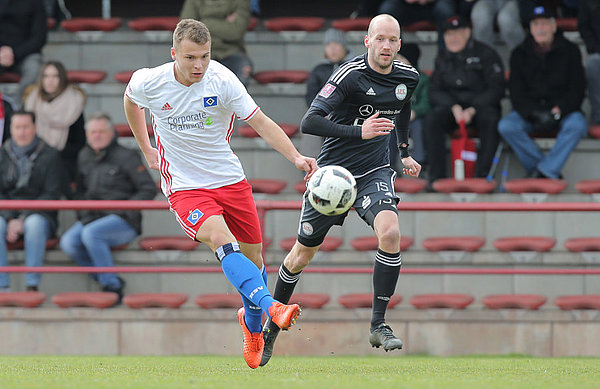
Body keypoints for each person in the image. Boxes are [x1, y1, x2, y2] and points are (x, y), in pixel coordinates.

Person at [123, 19, 318, 369]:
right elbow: (130, 100)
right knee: (221, 241)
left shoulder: (223, 80)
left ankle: (252, 323)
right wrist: (146, 148)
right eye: (190, 58)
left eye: (205, 57)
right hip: (185, 186)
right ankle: (273, 307)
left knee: (255, 263)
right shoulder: (150, 80)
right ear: (174, 55)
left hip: (229, 180)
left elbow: (260, 122)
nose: (199, 66)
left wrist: (295, 157)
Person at [260, 14, 421, 367]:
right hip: (333, 175)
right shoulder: (348, 75)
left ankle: (378, 324)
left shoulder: (408, 77)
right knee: (301, 256)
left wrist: (403, 151)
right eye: (380, 39)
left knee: (391, 232)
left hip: (374, 170)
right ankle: (269, 327)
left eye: (392, 40)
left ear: (399, 43)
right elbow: (310, 121)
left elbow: (403, 107)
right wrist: (358, 131)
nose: (386, 46)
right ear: (367, 41)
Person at [59, 113, 157, 305]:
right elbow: (80, 192)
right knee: (68, 243)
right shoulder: (84, 156)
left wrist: (125, 210)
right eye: (93, 132)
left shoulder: (127, 156)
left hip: (123, 221)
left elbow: (147, 189)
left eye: (101, 132)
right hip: (92, 218)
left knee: (90, 234)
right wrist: (84, 214)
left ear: (112, 133)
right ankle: (105, 278)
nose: (97, 136)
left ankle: (113, 286)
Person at [498, 6, 587, 179]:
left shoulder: (571, 51)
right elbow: (516, 93)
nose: (540, 28)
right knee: (507, 126)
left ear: (554, 27)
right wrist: (533, 113)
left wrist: (559, 109)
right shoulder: (519, 54)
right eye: (536, 24)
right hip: (531, 113)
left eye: (545, 24)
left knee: (578, 125)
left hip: (562, 112)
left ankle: (543, 171)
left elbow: (577, 89)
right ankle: (546, 169)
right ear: (530, 29)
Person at [424, 16, 505, 184]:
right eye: (448, 34)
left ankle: (483, 177)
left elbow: (497, 88)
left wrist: (474, 108)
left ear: (468, 32)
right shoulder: (442, 57)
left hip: (480, 108)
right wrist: (453, 106)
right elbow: (434, 91)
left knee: (491, 119)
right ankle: (436, 178)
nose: (452, 38)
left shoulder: (486, 54)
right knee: (432, 119)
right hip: (453, 110)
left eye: (457, 33)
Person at [0, 110, 62, 292]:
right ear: (11, 129)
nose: (22, 132)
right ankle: (2, 286)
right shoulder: (2, 154)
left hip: (40, 214)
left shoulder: (50, 155)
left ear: (34, 128)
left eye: (26, 127)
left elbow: (51, 193)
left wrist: (23, 218)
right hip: (7, 214)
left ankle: (32, 285)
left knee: (34, 225)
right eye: (17, 127)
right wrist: (11, 218)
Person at [23, 61, 86, 186]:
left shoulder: (74, 103)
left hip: (64, 161)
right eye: (46, 76)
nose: (50, 80)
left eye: (55, 76)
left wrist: (52, 156)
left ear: (62, 78)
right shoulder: (31, 101)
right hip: (32, 159)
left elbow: (78, 142)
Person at [302, 28, 353, 158]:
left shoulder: (353, 68)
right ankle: (309, 169)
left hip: (347, 116)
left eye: (336, 44)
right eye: (329, 45)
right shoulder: (318, 70)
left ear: (344, 47)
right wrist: (322, 114)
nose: (332, 49)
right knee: (309, 126)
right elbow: (310, 97)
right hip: (322, 115)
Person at [180, 0, 253, 86]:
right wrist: (224, 24)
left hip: (230, 53)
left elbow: (236, 32)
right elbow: (186, 30)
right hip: (197, 52)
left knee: (243, 71)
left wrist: (203, 22)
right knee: (174, 72)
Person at [391, 43, 430, 170]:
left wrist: (415, 112)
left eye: (401, 58)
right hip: (394, 118)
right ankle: (390, 166)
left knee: (418, 127)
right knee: (389, 130)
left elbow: (426, 103)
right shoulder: (391, 77)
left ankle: (419, 164)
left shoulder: (422, 79)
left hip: (414, 119)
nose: (397, 61)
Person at [0, 0, 47, 104]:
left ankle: (18, 111)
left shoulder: (35, 3)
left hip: (26, 55)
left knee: (35, 68)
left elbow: (39, 38)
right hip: (1, 55)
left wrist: (14, 53)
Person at [578, 0, 600, 127]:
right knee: (593, 62)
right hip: (598, 51)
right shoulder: (589, 2)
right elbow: (584, 27)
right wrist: (595, 48)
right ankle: (598, 117)